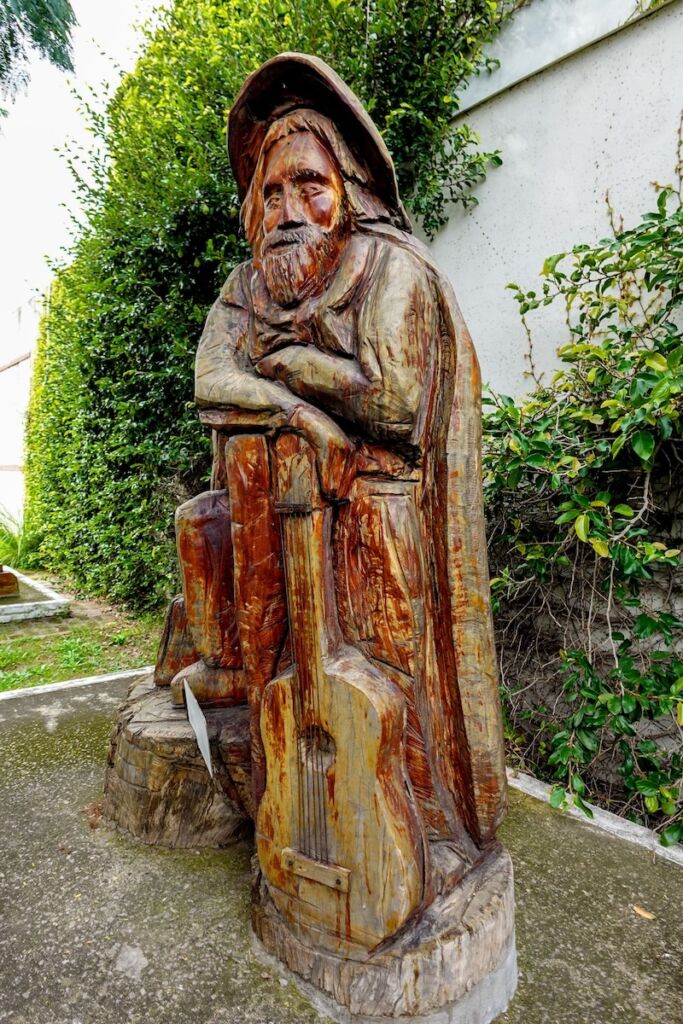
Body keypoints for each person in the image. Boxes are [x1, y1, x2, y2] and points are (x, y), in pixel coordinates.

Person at [157, 53, 506, 853]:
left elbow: (392, 402)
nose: (288, 209)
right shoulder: (246, 288)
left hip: (374, 522)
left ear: (349, 190)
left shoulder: (389, 269)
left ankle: (417, 841)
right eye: (271, 191)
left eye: (308, 185)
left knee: (391, 696)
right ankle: (270, 762)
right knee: (207, 524)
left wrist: (281, 364)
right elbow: (211, 378)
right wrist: (292, 407)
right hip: (273, 530)